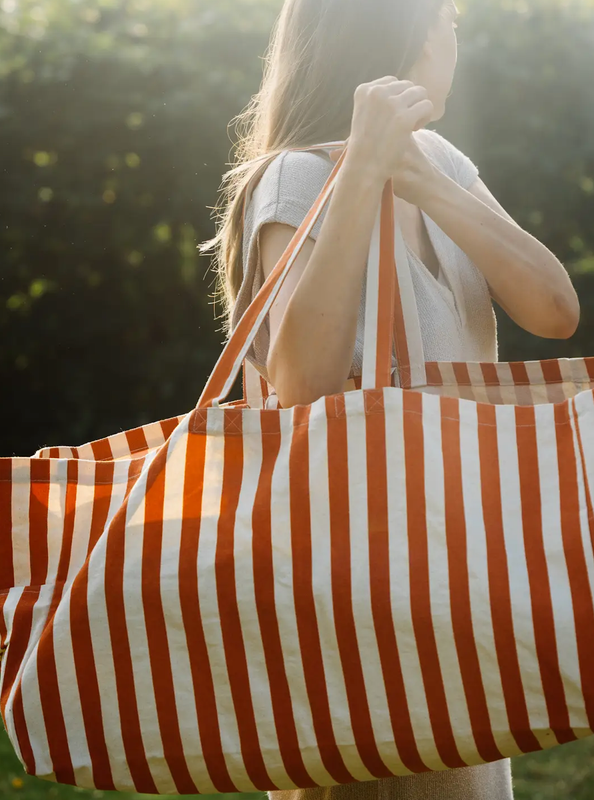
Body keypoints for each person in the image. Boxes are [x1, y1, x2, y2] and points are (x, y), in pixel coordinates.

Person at [199, 0, 580, 798]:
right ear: (396, 36)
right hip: (355, 584)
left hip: (454, 570)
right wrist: (360, 172)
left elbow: (554, 310)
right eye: (445, 20)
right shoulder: (296, 175)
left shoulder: (441, 160)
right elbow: (301, 380)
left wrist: (420, 179)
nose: (454, 39)